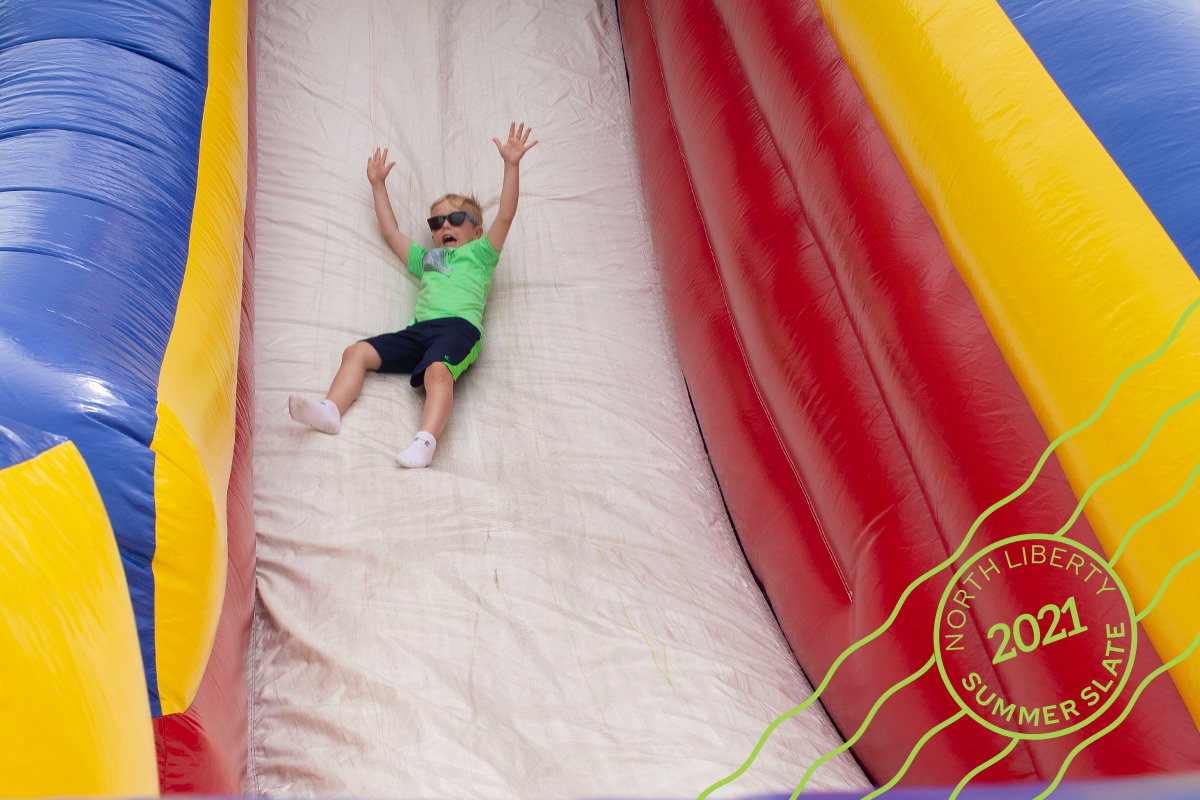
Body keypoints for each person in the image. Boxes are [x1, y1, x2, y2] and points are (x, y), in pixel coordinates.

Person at [288, 123, 537, 468]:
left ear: (477, 230)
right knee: (356, 351)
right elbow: (391, 232)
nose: (444, 227)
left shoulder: (481, 253)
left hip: (458, 329)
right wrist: (378, 185)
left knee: (438, 371)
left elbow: (506, 215)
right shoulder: (428, 258)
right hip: (418, 331)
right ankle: (330, 410)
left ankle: (425, 441)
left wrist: (511, 165)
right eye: (436, 224)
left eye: (454, 218)